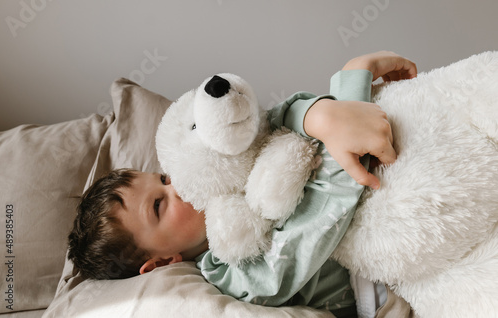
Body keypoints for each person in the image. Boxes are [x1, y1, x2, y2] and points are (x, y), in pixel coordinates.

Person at [68, 51, 417, 317]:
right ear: (162, 263)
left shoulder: (223, 178)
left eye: (163, 178)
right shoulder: (231, 274)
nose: (176, 186)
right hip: (380, 284)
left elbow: (269, 127)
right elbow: (314, 226)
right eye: (159, 205)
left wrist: (319, 115)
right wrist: (350, 92)